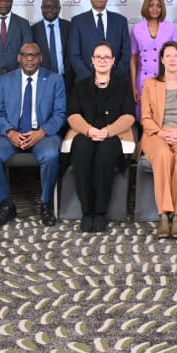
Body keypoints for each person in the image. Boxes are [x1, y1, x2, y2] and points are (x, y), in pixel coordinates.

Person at [0, 42, 66, 227]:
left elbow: (60, 114)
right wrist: (10, 132)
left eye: (34, 55)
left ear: (40, 58)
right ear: (18, 58)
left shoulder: (54, 80)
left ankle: (45, 205)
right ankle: (6, 205)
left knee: (51, 155)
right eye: (25, 55)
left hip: (42, 134)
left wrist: (41, 132)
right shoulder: (4, 80)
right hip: (11, 134)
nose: (30, 59)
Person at [66, 42, 136, 232]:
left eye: (106, 57)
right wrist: (89, 130)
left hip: (112, 134)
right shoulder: (80, 85)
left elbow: (129, 115)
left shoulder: (123, 85)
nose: (102, 61)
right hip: (85, 132)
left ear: (113, 61)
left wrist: (108, 131)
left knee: (105, 155)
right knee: (82, 151)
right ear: (92, 60)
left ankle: (100, 212)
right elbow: (73, 115)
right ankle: (87, 211)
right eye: (98, 57)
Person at [139, 41, 177, 238]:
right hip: (156, 134)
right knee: (163, 154)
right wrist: (160, 132)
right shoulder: (150, 84)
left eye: (176, 55)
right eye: (168, 56)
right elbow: (145, 117)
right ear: (162, 60)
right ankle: (164, 215)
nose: (172, 59)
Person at [130, 0, 177, 114]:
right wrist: (133, 86)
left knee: (164, 115)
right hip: (143, 79)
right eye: (151, 5)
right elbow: (133, 59)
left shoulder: (171, 28)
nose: (155, 9)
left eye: (158, 6)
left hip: (165, 78)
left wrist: (176, 82)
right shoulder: (136, 28)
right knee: (144, 115)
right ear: (146, 7)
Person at [69, 0, 131, 80]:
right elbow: (74, 54)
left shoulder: (120, 20)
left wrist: (114, 76)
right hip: (86, 81)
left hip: (116, 80)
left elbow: (126, 52)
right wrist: (89, 77)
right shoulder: (77, 21)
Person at [31, 0, 73, 90]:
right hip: (41, 81)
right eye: (46, 7)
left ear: (59, 9)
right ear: (41, 8)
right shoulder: (33, 30)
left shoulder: (69, 27)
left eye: (53, 7)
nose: (49, 10)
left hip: (66, 80)